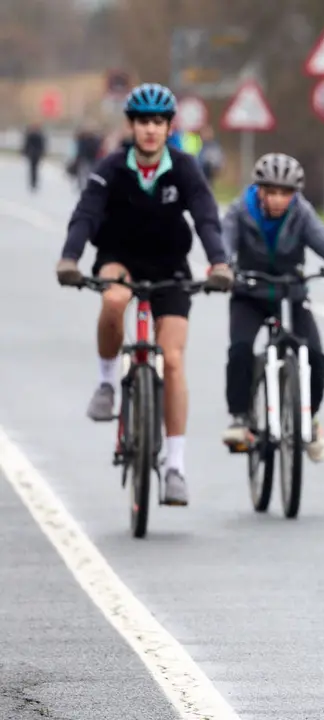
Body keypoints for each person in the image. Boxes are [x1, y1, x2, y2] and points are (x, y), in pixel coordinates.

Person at [54, 83, 235, 506]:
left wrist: (220, 263)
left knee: (172, 360)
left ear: (168, 126)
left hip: (170, 266)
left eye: (158, 122)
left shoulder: (186, 167)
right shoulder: (112, 167)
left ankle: (174, 467)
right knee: (114, 299)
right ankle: (105, 383)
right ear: (131, 125)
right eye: (142, 122)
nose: (150, 130)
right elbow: (86, 214)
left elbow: (207, 217)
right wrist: (69, 258)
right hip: (120, 257)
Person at [220, 153, 324, 461]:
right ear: (260, 191)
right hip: (249, 293)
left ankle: (310, 418)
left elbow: (323, 239)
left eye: (286, 193)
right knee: (240, 349)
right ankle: (240, 417)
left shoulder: (301, 212)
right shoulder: (240, 211)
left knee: (316, 355)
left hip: (290, 294)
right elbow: (224, 243)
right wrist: (223, 267)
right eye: (273, 192)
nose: (279, 199)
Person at [22, 122, 46, 192]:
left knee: (33, 169)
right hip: (34, 154)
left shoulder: (34, 135)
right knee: (33, 169)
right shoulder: (35, 135)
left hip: (34, 154)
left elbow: (27, 145)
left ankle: (34, 182)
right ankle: (33, 182)